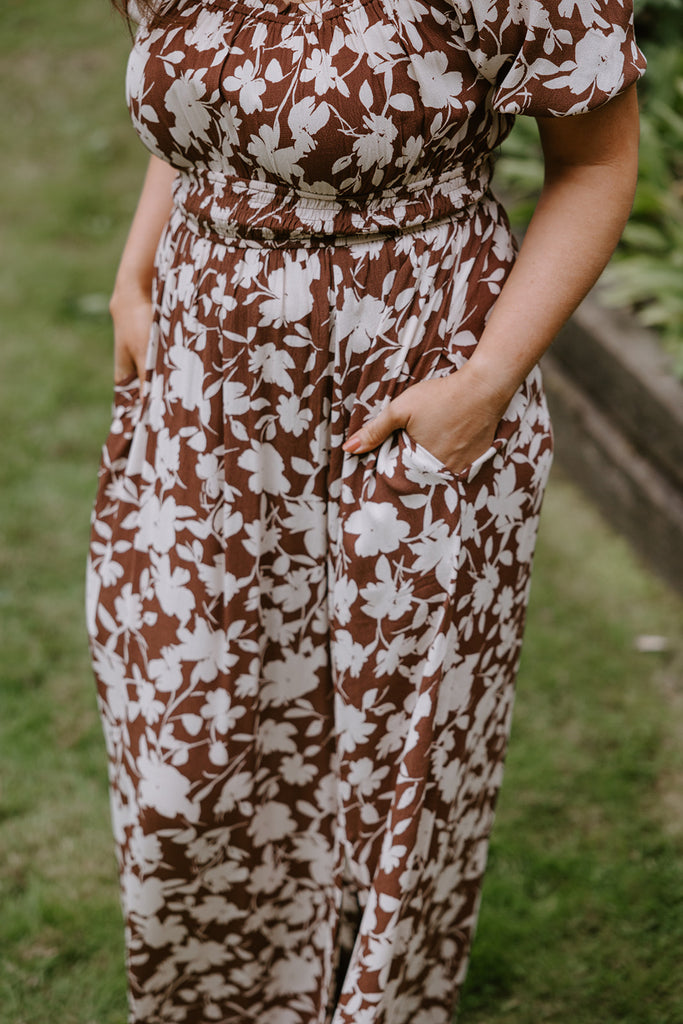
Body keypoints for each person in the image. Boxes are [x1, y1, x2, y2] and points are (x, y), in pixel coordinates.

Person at [86, 0, 645, 1021]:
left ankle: (376, 1001)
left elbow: (596, 162)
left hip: (407, 379)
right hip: (210, 390)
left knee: (399, 748)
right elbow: (214, 109)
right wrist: (133, 277)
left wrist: (481, 384)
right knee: (191, 730)